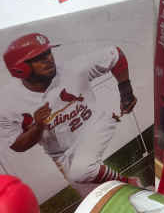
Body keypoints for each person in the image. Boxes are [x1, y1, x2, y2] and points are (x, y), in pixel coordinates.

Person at [0, 33, 141, 187]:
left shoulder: (72, 69)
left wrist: (126, 91)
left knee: (82, 172)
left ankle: (129, 183)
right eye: (39, 58)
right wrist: (38, 127)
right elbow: (17, 145)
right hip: (61, 155)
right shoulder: (8, 103)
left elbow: (115, 54)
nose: (49, 59)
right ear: (20, 69)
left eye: (48, 52)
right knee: (94, 196)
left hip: (93, 127)